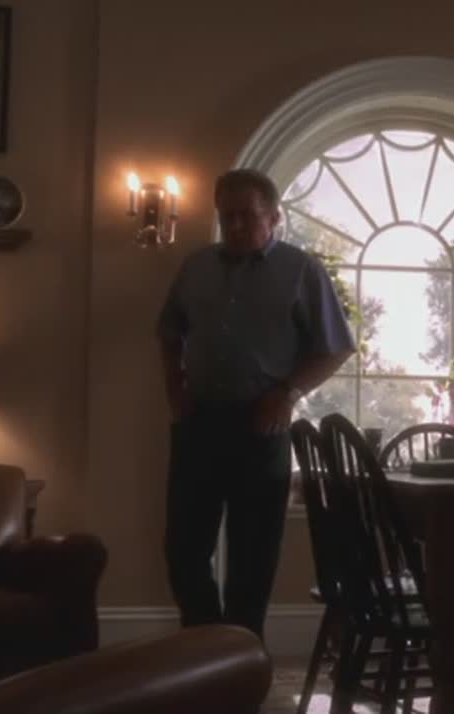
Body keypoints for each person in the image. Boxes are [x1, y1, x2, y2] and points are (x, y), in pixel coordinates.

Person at [157, 168, 355, 641]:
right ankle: (206, 649)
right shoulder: (196, 267)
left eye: (247, 216)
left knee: (253, 556)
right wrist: (175, 389)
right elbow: (168, 331)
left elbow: (335, 348)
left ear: (274, 217)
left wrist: (287, 394)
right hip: (199, 422)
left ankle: (243, 653)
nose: (236, 226)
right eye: (227, 216)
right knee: (183, 549)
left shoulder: (301, 271)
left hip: (261, 427)